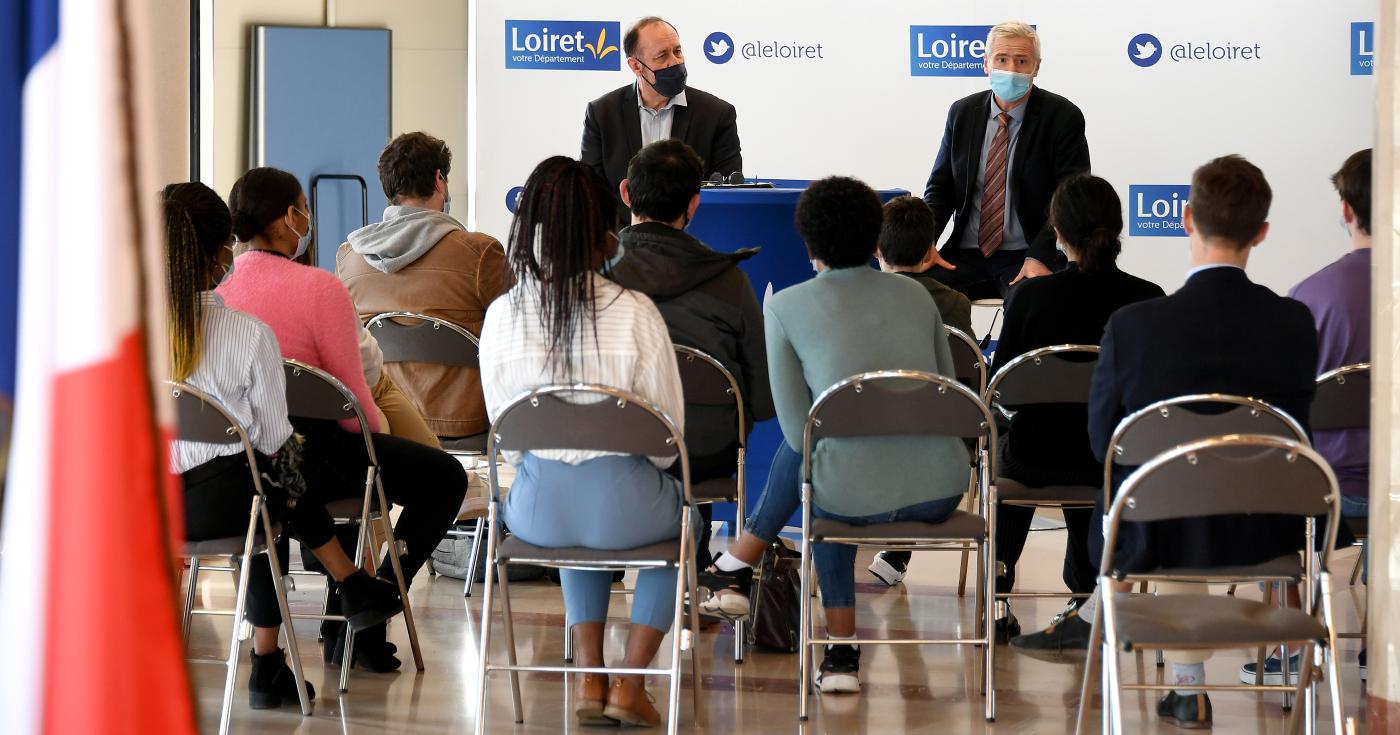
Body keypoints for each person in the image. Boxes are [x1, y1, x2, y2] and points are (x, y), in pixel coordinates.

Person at [1015, 156, 1318, 729]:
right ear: (1262, 232)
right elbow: (1299, 434)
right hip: (1271, 529)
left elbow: (1108, 442)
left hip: (1157, 525)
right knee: (1188, 495)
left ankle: (1178, 680)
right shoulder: (1294, 322)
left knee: (1160, 494)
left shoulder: (1136, 325)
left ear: (1184, 219)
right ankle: (1186, 676)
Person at [697, 176, 970, 696]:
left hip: (847, 496)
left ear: (806, 243)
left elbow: (800, 435)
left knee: (823, 482)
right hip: (940, 488)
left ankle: (838, 651)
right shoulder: (917, 296)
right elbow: (949, 397)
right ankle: (740, 564)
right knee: (830, 472)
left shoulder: (784, 307)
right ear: (875, 243)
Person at [873, 177, 1164, 642]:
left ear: (1057, 232)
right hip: (1114, 460)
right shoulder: (1148, 299)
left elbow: (1004, 388)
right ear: (1118, 228)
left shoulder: (1030, 297)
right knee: (1087, 443)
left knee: (1013, 440)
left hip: (1036, 455)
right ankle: (1086, 589)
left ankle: (1000, 593)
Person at [217, 167, 468, 673]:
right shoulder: (320, 287)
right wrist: (377, 441)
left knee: (362, 470)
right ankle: (372, 600)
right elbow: (354, 404)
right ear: (291, 216)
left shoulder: (221, 295)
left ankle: (356, 613)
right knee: (443, 478)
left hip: (246, 463)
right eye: (302, 210)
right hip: (322, 452)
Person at [164, 182, 402, 708]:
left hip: (151, 508)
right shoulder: (247, 335)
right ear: (224, 249)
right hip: (231, 506)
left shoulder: (130, 334)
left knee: (265, 484)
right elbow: (273, 440)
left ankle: (293, 641)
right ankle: (331, 599)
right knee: (276, 474)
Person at [479, 156, 690, 728]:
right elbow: (669, 437)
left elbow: (505, 432)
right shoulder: (636, 312)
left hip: (535, 514)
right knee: (688, 524)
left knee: (577, 523)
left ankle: (589, 676)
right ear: (606, 230)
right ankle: (631, 683)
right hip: (626, 507)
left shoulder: (501, 315)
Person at [608, 139, 774, 570]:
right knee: (688, 427)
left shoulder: (591, 276)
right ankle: (693, 569)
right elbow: (761, 401)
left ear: (626, 193)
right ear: (695, 204)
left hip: (606, 446)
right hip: (701, 455)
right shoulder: (730, 281)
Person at [1242, 148, 1373, 686]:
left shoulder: (1308, 298)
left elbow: (1280, 410)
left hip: (1328, 494)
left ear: (1345, 210)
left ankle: (1289, 650)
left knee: (1270, 479)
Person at [339, 131, 510, 442]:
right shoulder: (481, 253)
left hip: (388, 425)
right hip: (466, 421)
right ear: (439, 180)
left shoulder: (349, 259)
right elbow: (516, 333)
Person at [922, 21, 1090, 299]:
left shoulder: (1062, 117)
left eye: (1022, 61)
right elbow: (940, 190)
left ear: (1036, 68)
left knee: (1032, 303)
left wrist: (1041, 255)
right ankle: (955, 346)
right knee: (915, 291)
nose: (1011, 69)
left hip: (1027, 254)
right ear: (986, 63)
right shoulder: (962, 112)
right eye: (1002, 59)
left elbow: (1070, 200)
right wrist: (924, 243)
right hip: (964, 255)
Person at [582, 16, 742, 217]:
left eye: (677, 51)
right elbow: (590, 194)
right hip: (622, 242)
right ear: (635, 66)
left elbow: (727, 195)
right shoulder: (602, 114)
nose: (674, 62)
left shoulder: (717, 114)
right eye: (662, 56)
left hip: (691, 241)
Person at [874, 196, 974, 337]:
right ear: (929, 253)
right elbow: (969, 356)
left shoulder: (857, 300)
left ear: (876, 249)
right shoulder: (955, 303)